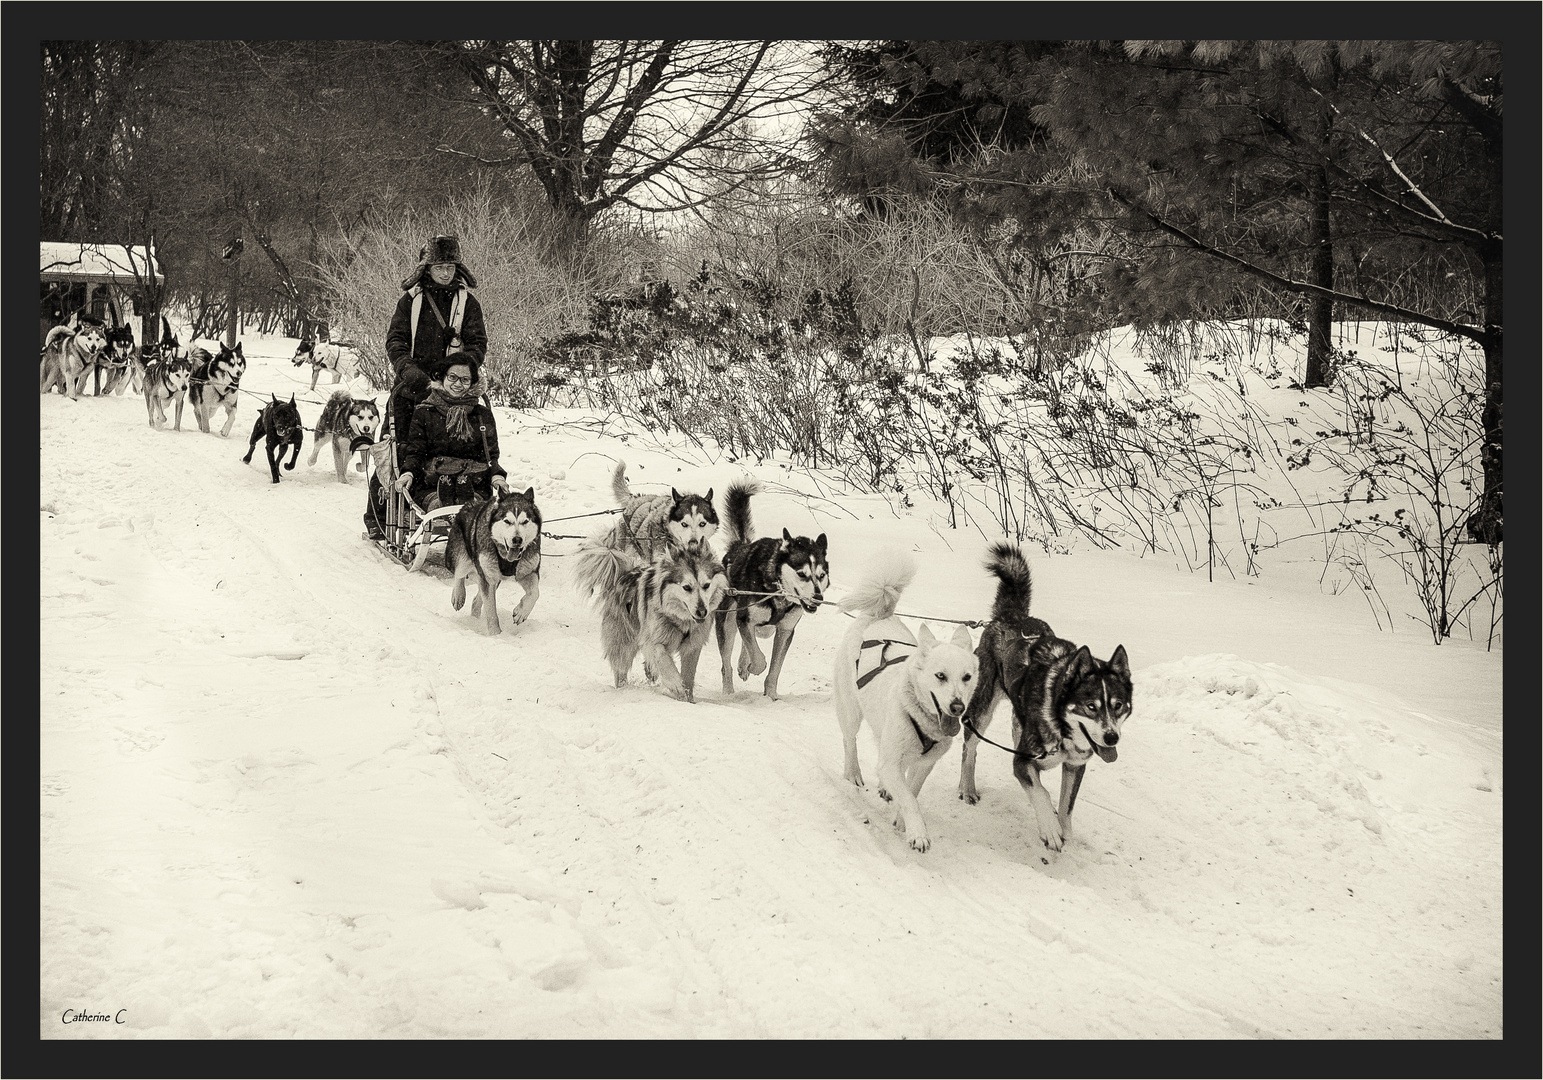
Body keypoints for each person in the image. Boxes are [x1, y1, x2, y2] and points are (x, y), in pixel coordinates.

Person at [365, 235, 489, 539]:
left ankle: (451, 508)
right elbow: (395, 340)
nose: (445, 272)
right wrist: (407, 368)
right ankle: (377, 516)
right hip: (412, 388)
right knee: (398, 451)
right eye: (439, 266)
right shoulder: (411, 300)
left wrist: (462, 368)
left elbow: (478, 343)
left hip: (455, 391)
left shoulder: (467, 302)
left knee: (460, 452)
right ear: (427, 267)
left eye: (450, 266)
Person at [395, 353, 511, 512]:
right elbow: (416, 452)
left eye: (465, 380)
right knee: (439, 494)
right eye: (453, 377)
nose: (458, 384)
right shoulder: (424, 412)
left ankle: (466, 501)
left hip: (473, 483)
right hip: (432, 483)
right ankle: (443, 503)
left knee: (471, 496)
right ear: (442, 377)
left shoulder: (481, 415)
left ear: (472, 383)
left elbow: (490, 455)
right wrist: (408, 473)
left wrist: (497, 476)